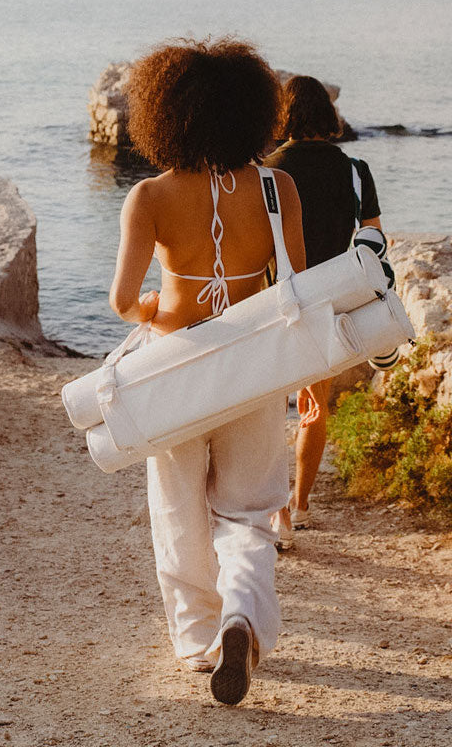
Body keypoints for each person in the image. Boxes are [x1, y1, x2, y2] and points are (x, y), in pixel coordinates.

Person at [108, 37, 319, 705]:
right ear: (254, 113)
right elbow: (301, 290)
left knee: (178, 509)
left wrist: (156, 307)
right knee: (251, 510)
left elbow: (123, 303)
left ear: (166, 114)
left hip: (175, 365)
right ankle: (242, 617)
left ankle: (201, 640)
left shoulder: (150, 196)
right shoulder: (279, 187)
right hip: (253, 368)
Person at [263, 76, 384, 549]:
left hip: (277, 298)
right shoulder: (355, 170)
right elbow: (373, 238)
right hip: (329, 301)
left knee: (272, 410)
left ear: (284, 115)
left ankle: (278, 515)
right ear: (327, 116)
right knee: (316, 406)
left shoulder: (268, 171)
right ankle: (302, 503)